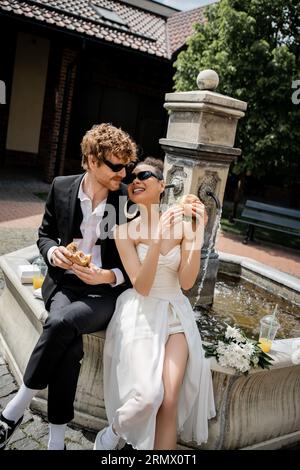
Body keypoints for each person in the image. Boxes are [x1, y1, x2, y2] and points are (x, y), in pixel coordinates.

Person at [0, 123, 138, 450]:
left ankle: (11, 413)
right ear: (91, 161)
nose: (123, 173)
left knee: (61, 323)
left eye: (126, 166)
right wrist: (53, 252)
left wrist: (108, 276)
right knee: (69, 345)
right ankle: (56, 441)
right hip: (63, 283)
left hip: (105, 293)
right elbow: (44, 234)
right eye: (115, 166)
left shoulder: (127, 202)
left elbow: (138, 267)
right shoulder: (62, 187)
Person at [94, 157, 215, 451]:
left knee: (170, 397)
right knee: (149, 395)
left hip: (175, 313)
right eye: (132, 177)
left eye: (144, 175)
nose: (135, 180)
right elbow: (142, 285)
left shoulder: (183, 226)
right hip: (141, 311)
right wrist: (158, 240)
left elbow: (186, 283)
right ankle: (112, 433)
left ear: (162, 185)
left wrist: (197, 233)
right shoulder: (124, 232)